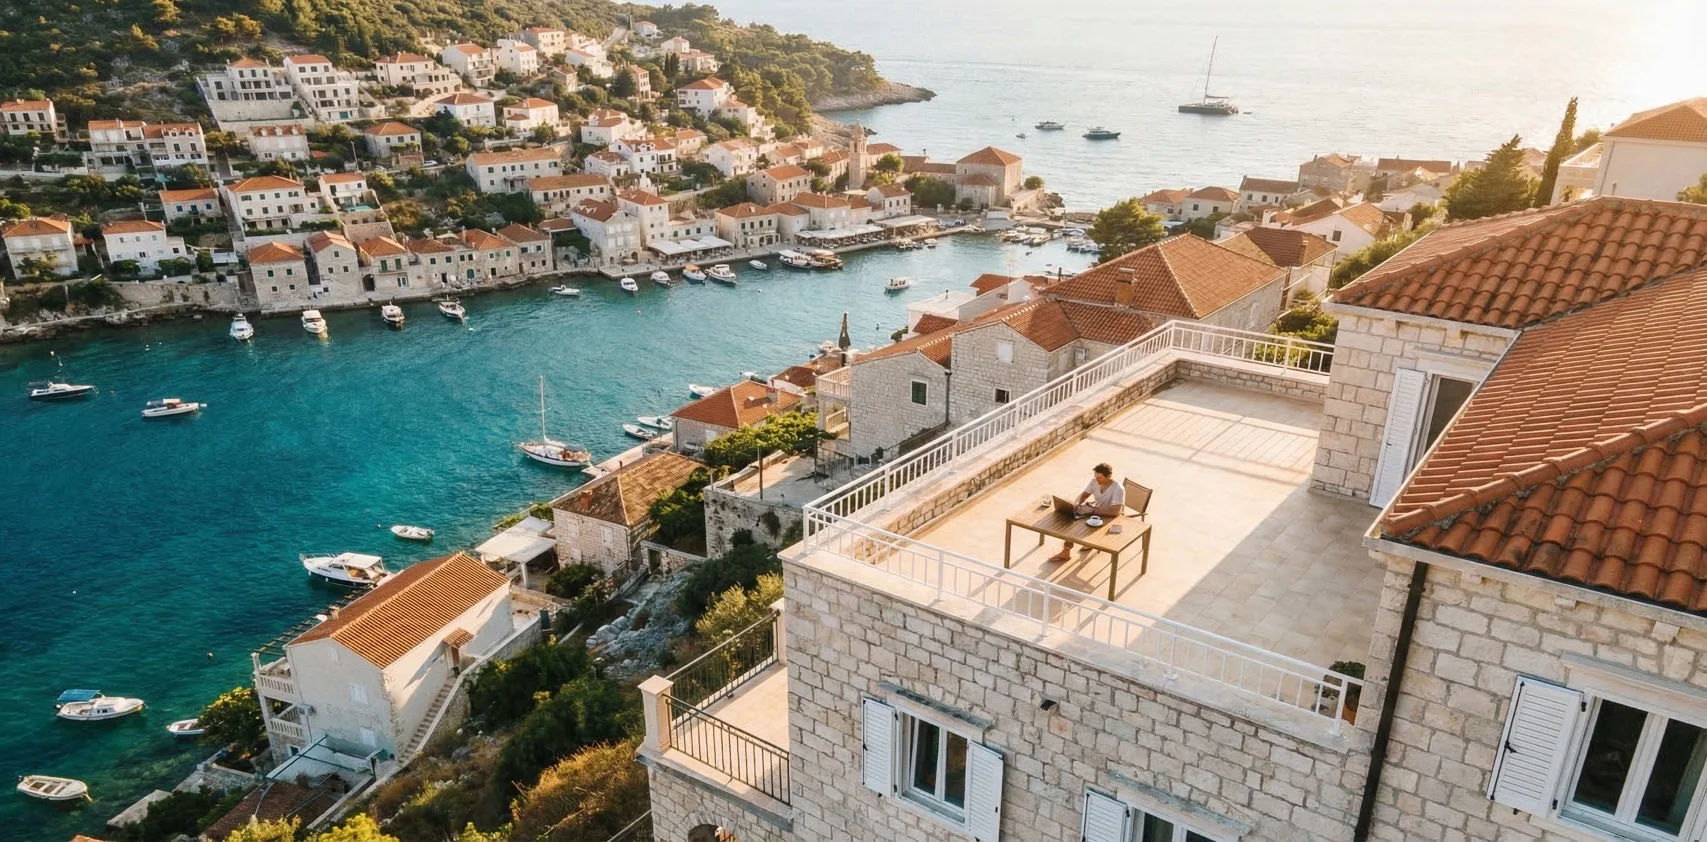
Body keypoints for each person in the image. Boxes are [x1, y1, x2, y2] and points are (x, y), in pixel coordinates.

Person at [1048, 463, 1124, 563]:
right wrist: (1077, 504)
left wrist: (1091, 510)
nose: (1097, 480)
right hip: (1096, 512)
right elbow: (1084, 495)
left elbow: (1115, 512)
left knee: (1078, 527)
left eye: (1100, 478)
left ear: (1109, 476)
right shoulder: (1094, 481)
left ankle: (1089, 542)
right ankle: (1066, 552)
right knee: (1072, 521)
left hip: (1110, 517)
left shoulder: (1118, 488)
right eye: (1095, 477)